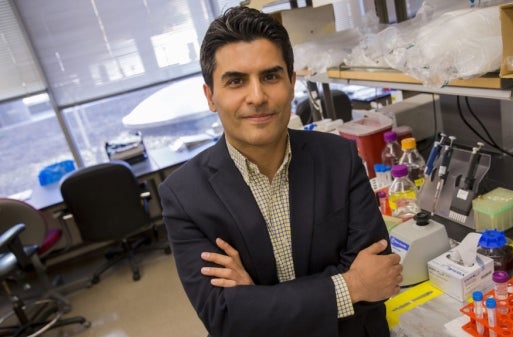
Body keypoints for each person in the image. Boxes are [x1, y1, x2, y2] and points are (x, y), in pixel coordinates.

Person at [158, 6, 403, 337]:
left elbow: (380, 280)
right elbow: (225, 319)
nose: (257, 97)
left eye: (270, 76)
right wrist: (351, 284)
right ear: (211, 96)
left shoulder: (339, 157)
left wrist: (257, 298)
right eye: (236, 81)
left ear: (291, 82)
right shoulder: (185, 196)